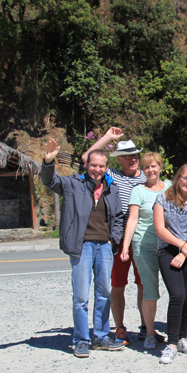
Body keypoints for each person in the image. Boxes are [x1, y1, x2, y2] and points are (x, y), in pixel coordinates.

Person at [40, 139, 125, 358]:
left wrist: (113, 239)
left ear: (106, 168)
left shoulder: (112, 188)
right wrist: (48, 161)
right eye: (93, 165)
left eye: (101, 166)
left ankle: (101, 336)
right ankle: (81, 339)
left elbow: (117, 217)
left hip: (105, 247)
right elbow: (49, 181)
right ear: (87, 165)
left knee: (104, 293)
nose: (97, 169)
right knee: (80, 296)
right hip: (82, 245)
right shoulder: (73, 184)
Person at [81, 127, 147, 345]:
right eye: (127, 157)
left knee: (143, 284)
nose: (132, 160)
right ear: (119, 161)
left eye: (134, 156)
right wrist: (108, 138)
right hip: (118, 238)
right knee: (117, 285)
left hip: (143, 237)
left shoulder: (147, 177)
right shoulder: (112, 176)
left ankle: (146, 326)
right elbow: (86, 158)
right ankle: (119, 328)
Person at [153, 164, 187, 364]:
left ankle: (183, 337)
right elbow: (160, 228)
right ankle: (172, 343)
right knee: (177, 295)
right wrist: (180, 246)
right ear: (178, 178)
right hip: (168, 250)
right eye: (184, 178)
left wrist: (185, 252)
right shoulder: (163, 198)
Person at [121, 152, 170, 349]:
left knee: (176, 289)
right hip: (144, 245)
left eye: (154, 166)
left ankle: (177, 334)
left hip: (167, 245)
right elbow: (132, 220)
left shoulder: (169, 188)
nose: (151, 170)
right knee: (149, 289)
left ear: (160, 167)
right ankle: (149, 332)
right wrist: (125, 246)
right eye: (147, 167)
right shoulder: (138, 191)